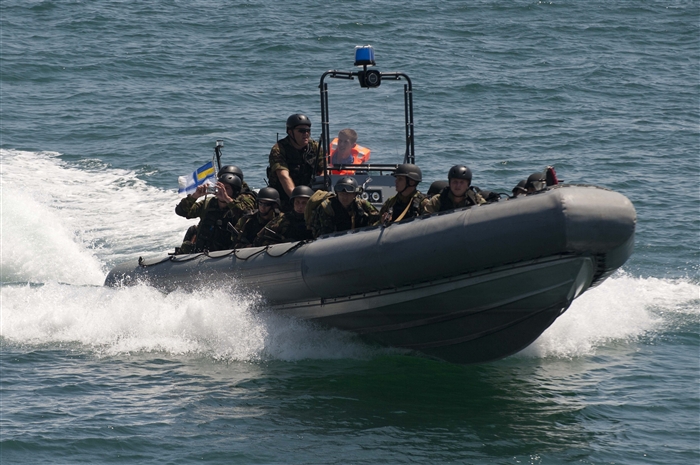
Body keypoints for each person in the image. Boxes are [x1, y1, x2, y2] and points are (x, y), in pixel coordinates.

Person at [175, 173, 254, 253]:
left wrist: (227, 198)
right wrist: (195, 196)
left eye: (226, 188)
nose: (222, 191)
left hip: (227, 255)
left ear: (235, 192)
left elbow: (247, 215)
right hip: (202, 252)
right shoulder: (208, 204)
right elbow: (181, 211)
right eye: (220, 187)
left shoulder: (236, 207)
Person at [267, 114, 324, 210]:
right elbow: (283, 176)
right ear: (290, 132)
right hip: (285, 196)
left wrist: (315, 197)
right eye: (301, 131)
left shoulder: (314, 147)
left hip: (309, 194)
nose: (306, 134)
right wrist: (297, 200)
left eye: (308, 131)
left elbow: (325, 170)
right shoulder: (279, 149)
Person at [308, 176, 379, 238]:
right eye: (342, 194)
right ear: (337, 194)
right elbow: (323, 233)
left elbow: (377, 219)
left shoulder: (362, 205)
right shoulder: (327, 208)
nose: (344, 197)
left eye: (348, 194)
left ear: (354, 195)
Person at [421, 165, 486, 213]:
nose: (458, 185)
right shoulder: (437, 200)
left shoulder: (476, 200)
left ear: (468, 185)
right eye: (455, 182)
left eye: (462, 182)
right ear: (449, 183)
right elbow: (426, 221)